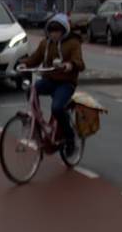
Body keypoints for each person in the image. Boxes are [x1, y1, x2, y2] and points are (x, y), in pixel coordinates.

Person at [20, 13, 85, 148]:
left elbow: (79, 62)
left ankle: (70, 138)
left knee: (57, 108)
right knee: (32, 89)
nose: (54, 34)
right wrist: (24, 64)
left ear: (64, 31)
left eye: (57, 31)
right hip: (49, 80)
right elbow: (35, 59)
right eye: (51, 31)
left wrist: (69, 65)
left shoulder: (73, 43)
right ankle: (38, 119)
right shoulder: (45, 43)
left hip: (66, 83)